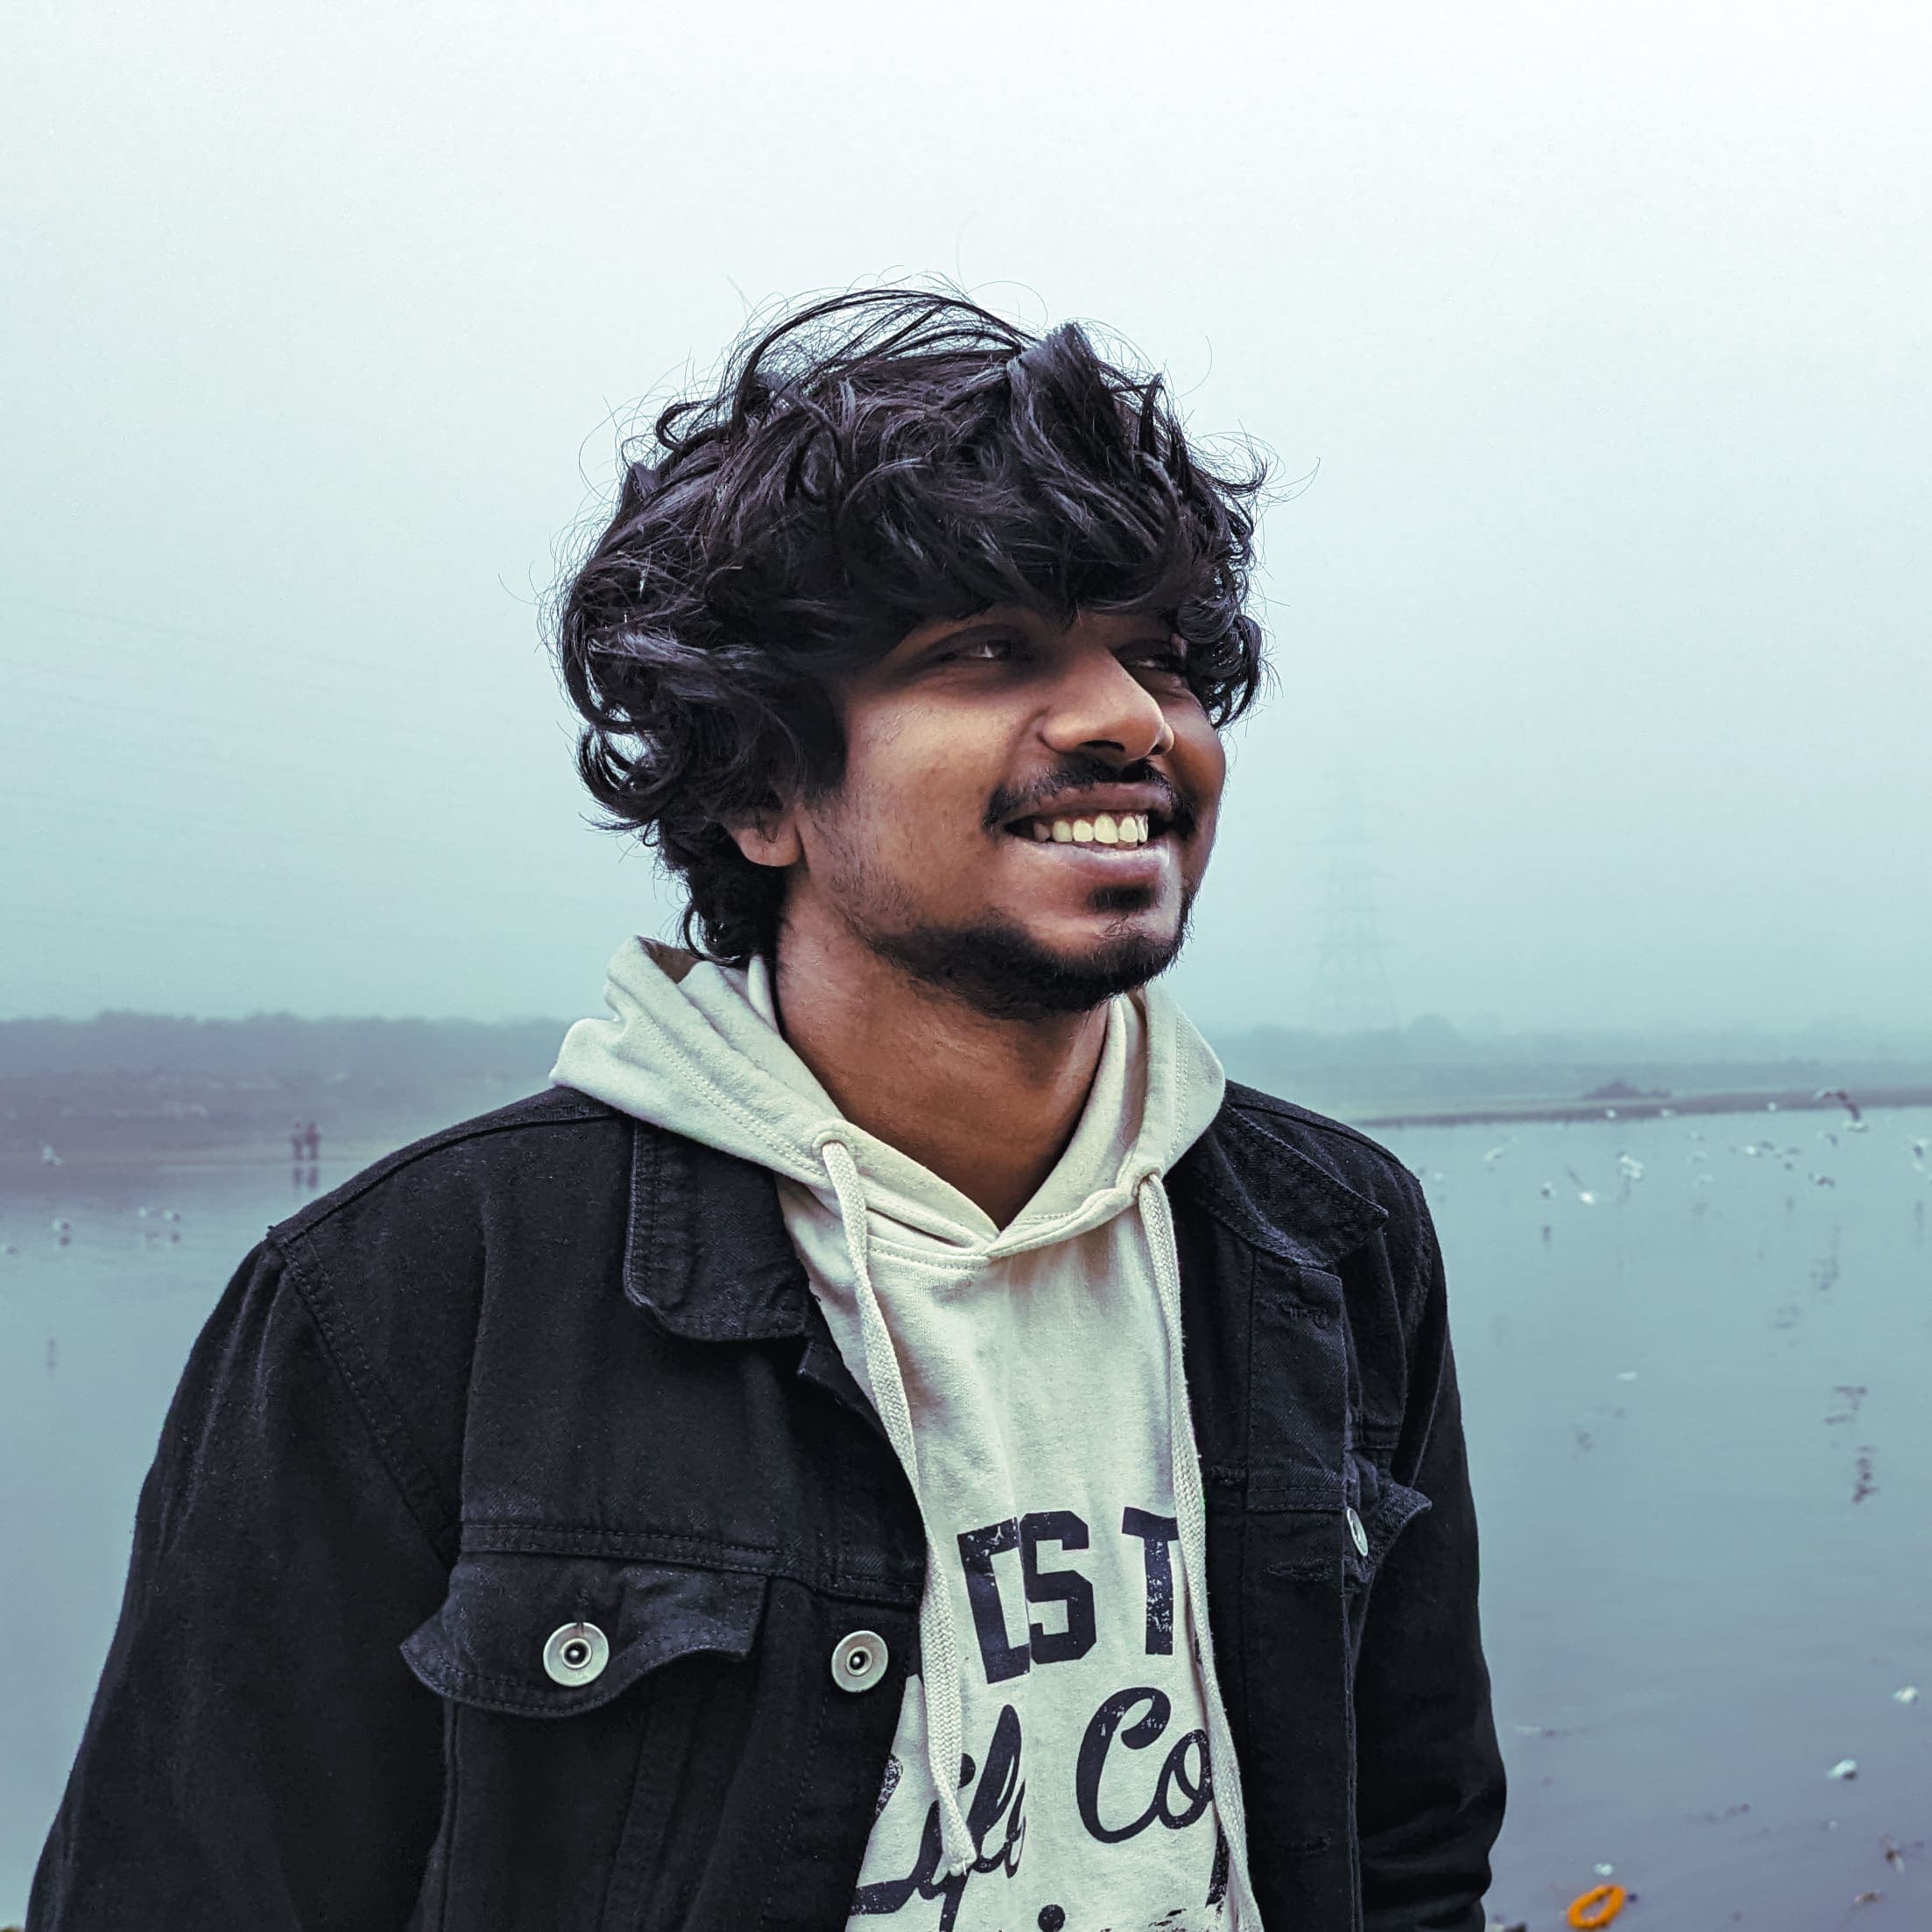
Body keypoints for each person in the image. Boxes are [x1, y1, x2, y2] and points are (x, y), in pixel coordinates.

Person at [30, 290, 1504, 1931]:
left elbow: (1412, 1838)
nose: (1126, 719)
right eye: (986, 651)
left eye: (1159, 654)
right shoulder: (401, 1300)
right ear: (754, 789)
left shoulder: (1333, 1235)